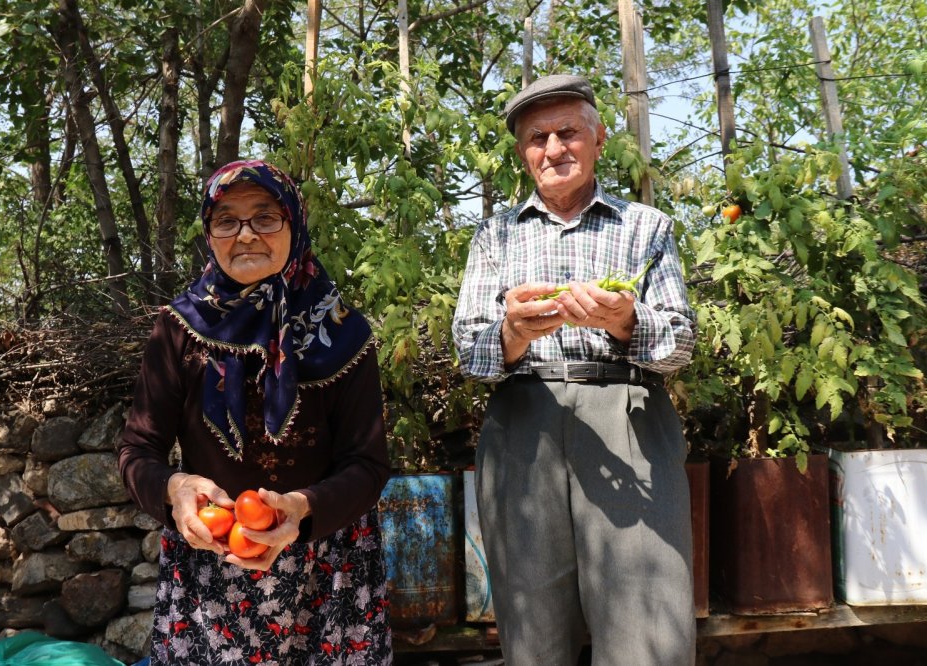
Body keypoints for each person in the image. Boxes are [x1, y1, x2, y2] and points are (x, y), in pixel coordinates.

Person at [452, 74, 697, 666]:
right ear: (523, 153)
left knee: (647, 625)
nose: (554, 148)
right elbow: (469, 351)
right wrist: (512, 333)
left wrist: (627, 321)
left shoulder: (647, 227)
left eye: (569, 132)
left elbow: (681, 344)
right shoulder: (494, 235)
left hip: (628, 417)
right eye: (538, 138)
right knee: (532, 626)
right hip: (524, 423)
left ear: (599, 139)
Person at [117, 159, 393, 665]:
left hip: (328, 571)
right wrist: (174, 490)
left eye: (265, 217)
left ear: (294, 223)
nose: (245, 235)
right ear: (209, 234)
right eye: (227, 221)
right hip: (210, 566)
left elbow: (368, 464)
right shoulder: (179, 328)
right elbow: (137, 449)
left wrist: (302, 509)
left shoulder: (345, 334)